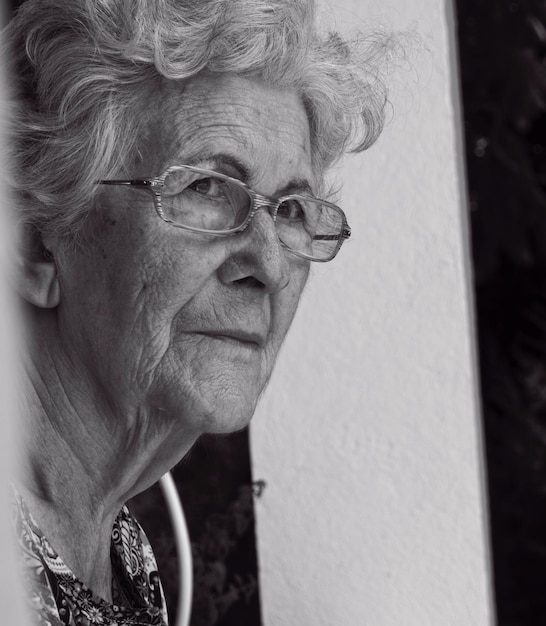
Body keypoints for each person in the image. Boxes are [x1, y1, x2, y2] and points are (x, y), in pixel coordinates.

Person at [6, 0, 392, 623]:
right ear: (31, 242)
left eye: (292, 209)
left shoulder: (115, 552)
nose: (267, 263)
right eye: (206, 187)